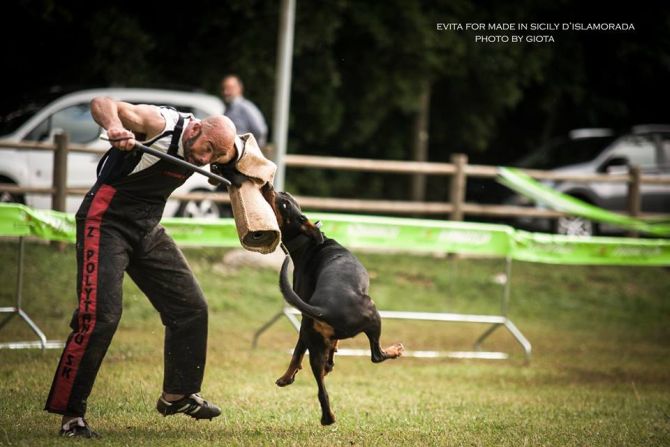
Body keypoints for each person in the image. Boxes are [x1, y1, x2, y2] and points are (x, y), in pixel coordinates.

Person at [44, 96, 238, 438]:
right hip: (105, 222)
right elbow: (103, 102)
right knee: (100, 317)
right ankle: (71, 416)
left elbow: (245, 153)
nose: (205, 160)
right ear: (195, 128)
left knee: (190, 307)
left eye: (214, 157)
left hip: (146, 227)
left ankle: (178, 394)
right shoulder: (159, 124)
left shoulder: (213, 145)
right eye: (206, 149)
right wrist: (114, 127)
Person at [221, 74, 268, 147]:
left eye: (230, 88)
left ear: (239, 88)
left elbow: (260, 131)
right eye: (224, 88)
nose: (225, 92)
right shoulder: (228, 109)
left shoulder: (246, 107)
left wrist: (252, 149)